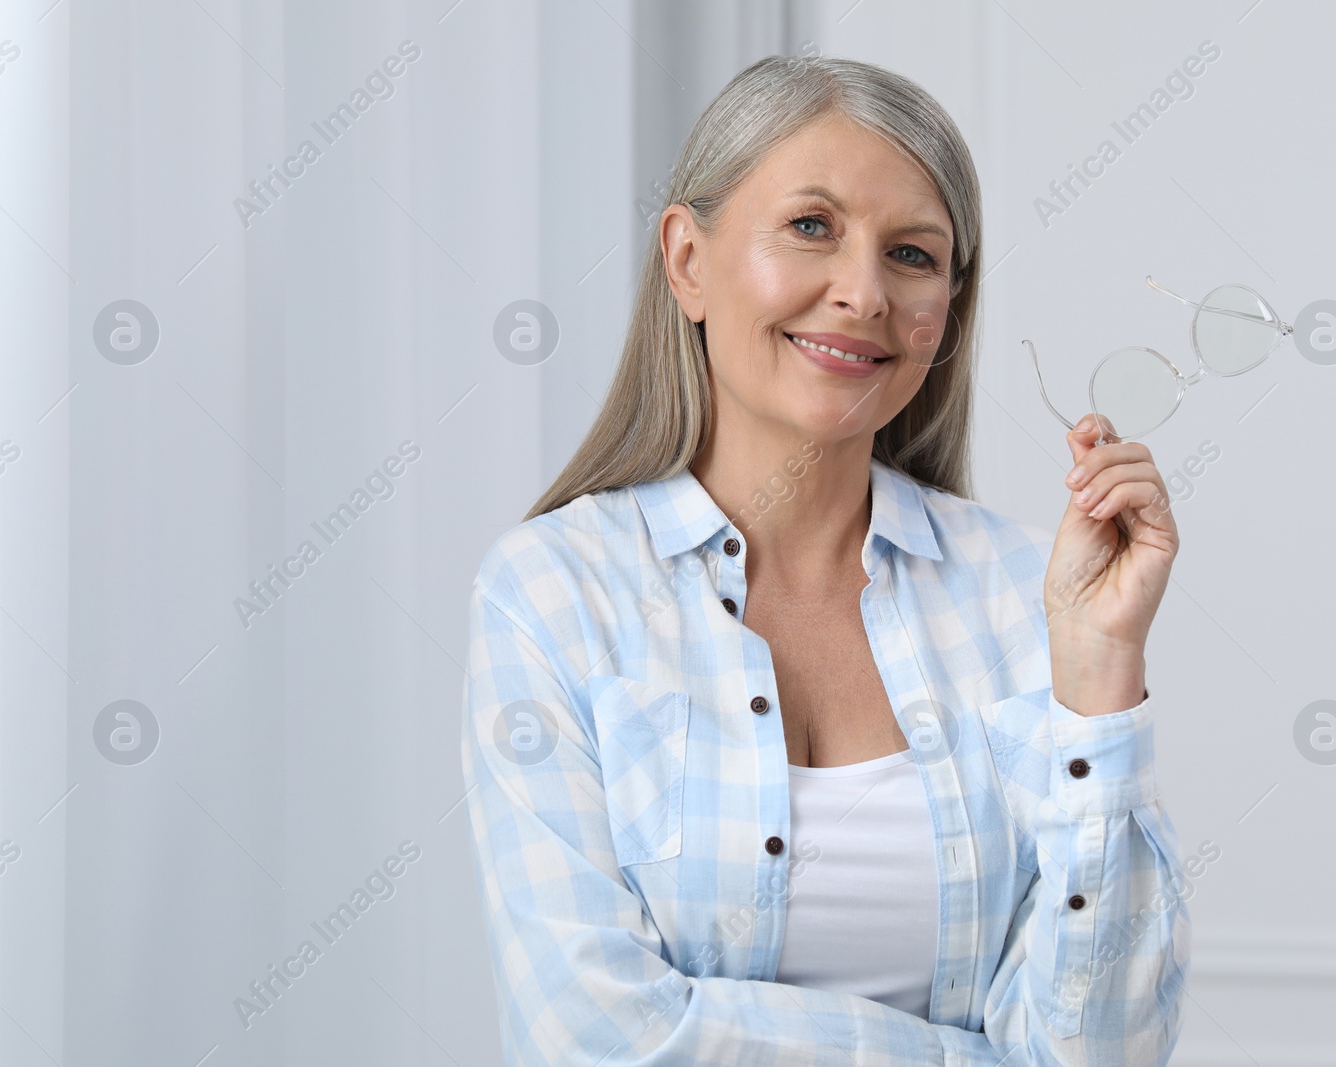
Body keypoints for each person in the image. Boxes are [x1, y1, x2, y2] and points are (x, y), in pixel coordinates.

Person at [462, 53, 1190, 1066]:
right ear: (687, 259)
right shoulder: (554, 589)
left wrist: (1100, 674)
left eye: (911, 254)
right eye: (812, 226)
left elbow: (1098, 1047)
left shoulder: (1031, 593)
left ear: (948, 306)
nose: (862, 291)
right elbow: (595, 1032)